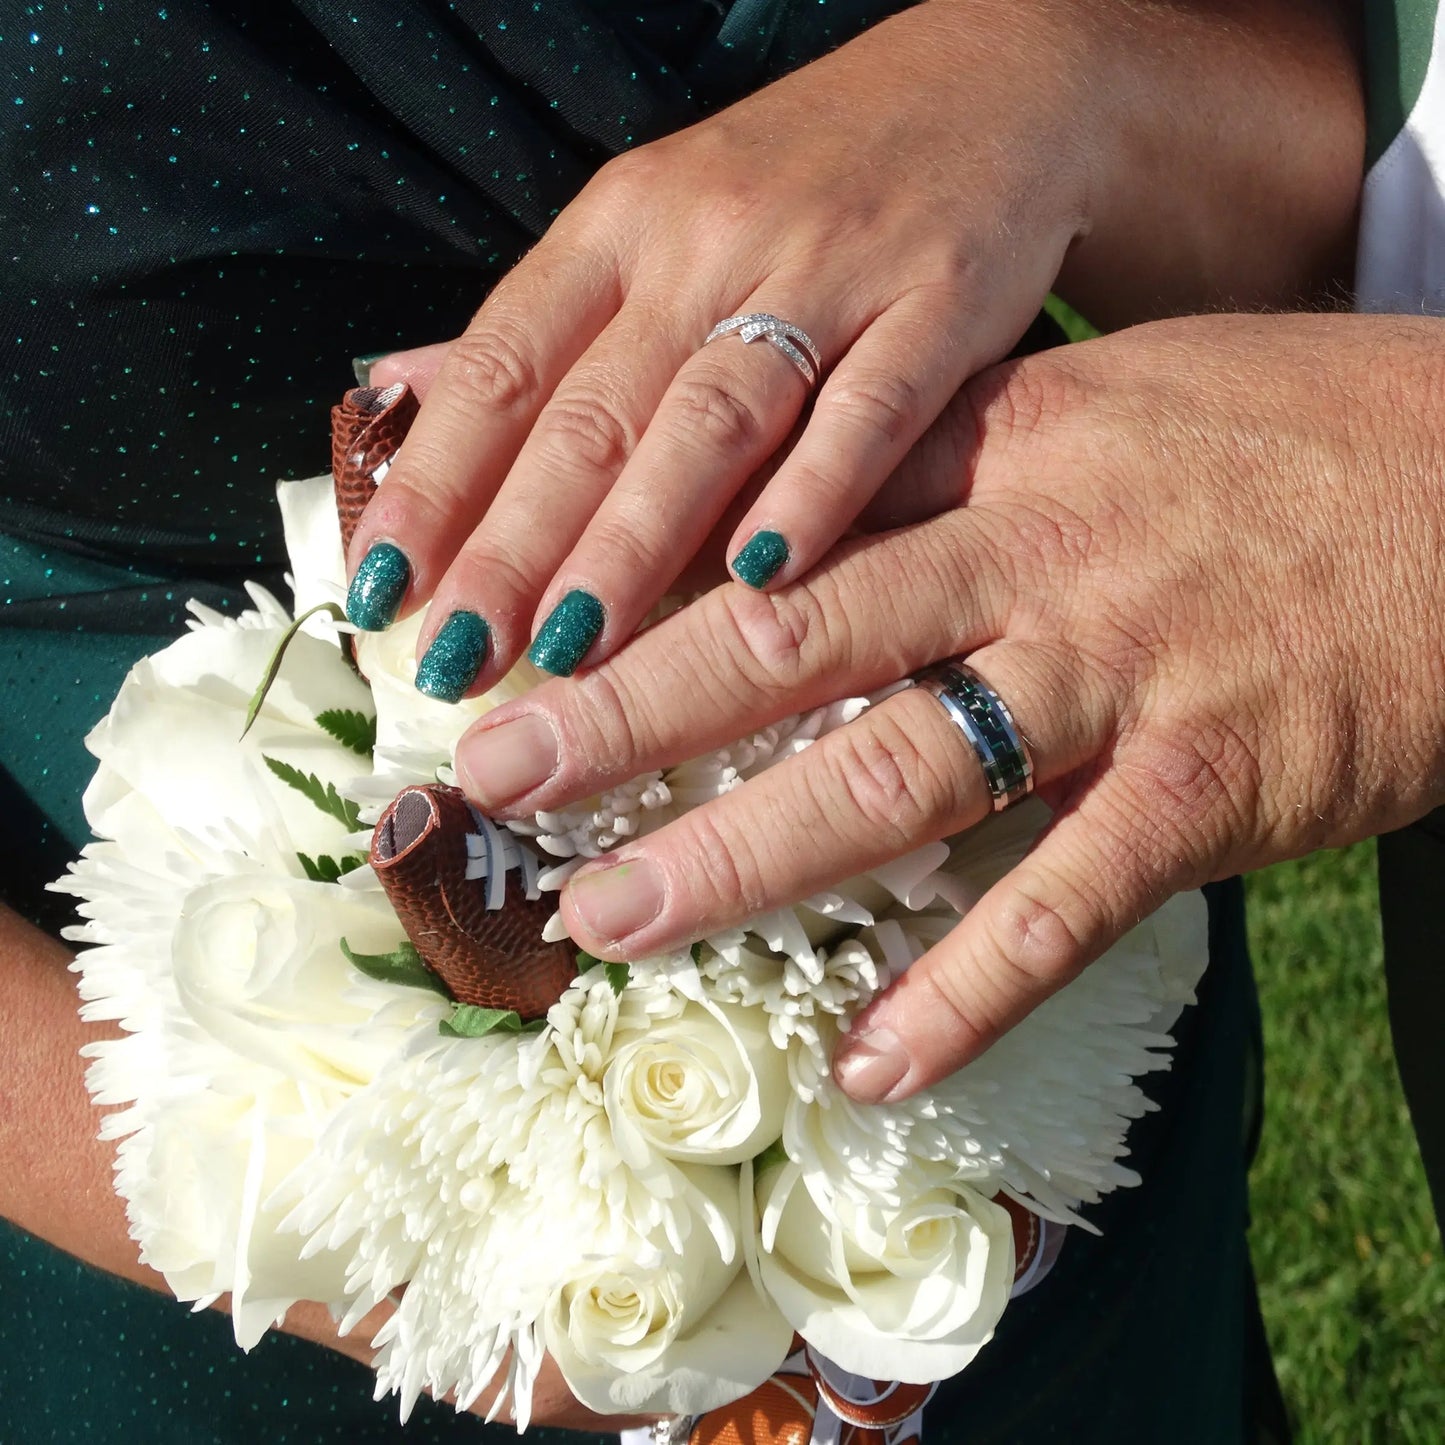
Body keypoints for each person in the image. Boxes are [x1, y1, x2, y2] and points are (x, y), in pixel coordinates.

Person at [0, 0, 1373, 1441]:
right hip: (177, 1128)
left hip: (1023, 914)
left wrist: (1067, 82)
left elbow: (1354, 168)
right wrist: (308, 1228)